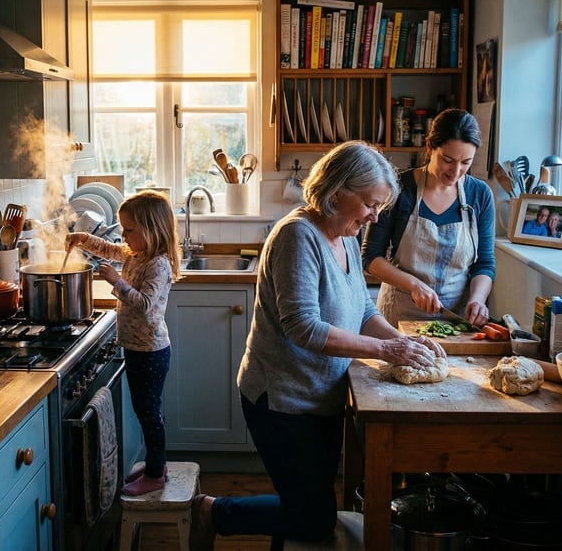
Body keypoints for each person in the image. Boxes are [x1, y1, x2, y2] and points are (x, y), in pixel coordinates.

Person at [189, 141, 447, 549]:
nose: (374, 217)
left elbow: (363, 308)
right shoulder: (298, 236)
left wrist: (402, 341)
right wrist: (384, 351)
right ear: (338, 191)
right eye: (370, 204)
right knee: (312, 517)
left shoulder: (344, 234)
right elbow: (303, 328)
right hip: (281, 399)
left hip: (322, 394)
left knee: (304, 503)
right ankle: (212, 511)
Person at [65, 191, 181, 496]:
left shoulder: (157, 264)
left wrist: (117, 282)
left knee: (149, 413)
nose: (124, 236)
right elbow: (107, 248)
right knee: (145, 410)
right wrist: (81, 238)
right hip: (136, 348)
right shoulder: (136, 254)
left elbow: (144, 304)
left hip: (151, 352)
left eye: (129, 230)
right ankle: (158, 463)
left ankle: (156, 474)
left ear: (151, 229)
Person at [361, 108, 496, 328]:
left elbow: (485, 263)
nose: (455, 171)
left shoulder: (479, 195)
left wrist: (478, 300)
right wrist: (414, 285)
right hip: (399, 319)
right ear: (429, 147)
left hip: (455, 322)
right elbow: (370, 258)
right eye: (448, 160)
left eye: (465, 163)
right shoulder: (399, 189)